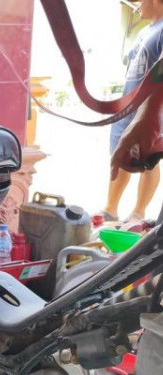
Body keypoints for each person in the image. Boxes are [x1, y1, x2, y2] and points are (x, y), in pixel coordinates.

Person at [102, 0, 163, 223]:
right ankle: (110, 208)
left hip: (150, 111)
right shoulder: (146, 30)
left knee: (148, 160)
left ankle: (138, 212)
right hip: (128, 108)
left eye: (140, 0)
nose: (137, 5)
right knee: (120, 155)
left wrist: (151, 113)